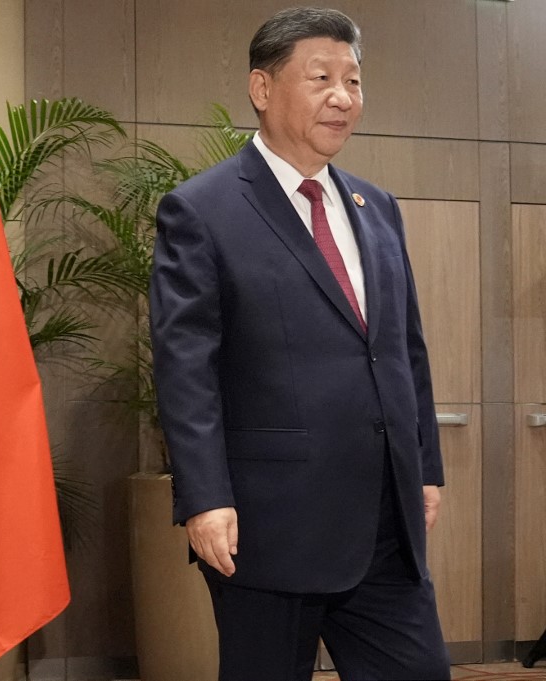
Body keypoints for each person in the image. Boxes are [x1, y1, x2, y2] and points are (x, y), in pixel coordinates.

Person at [149, 7, 451, 681]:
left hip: (382, 524)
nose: (343, 97)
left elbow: (404, 349)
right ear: (262, 88)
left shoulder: (378, 208)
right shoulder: (202, 209)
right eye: (322, 77)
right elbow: (185, 366)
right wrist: (204, 496)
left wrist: (424, 465)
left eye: (353, 80)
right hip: (268, 527)